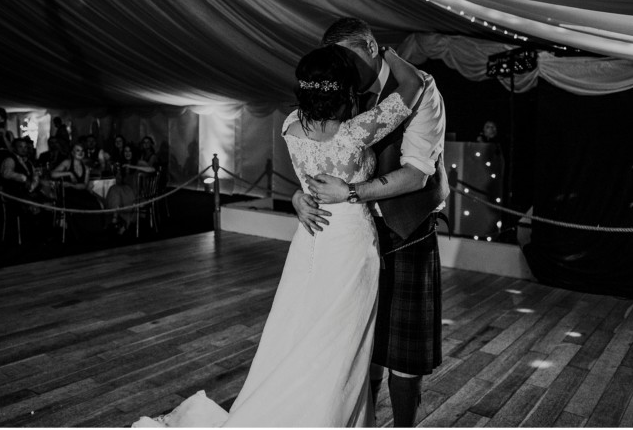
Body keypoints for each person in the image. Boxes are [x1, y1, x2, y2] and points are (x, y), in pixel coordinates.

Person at [132, 43, 424, 427]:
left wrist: (298, 196)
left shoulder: (290, 125)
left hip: (309, 238)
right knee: (340, 344)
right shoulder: (355, 133)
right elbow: (415, 83)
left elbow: (308, 177)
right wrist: (387, 52)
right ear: (344, 91)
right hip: (349, 244)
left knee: (296, 332)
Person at [296, 17, 449, 427]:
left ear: (369, 46)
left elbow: (417, 173)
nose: (342, 70)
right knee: (359, 344)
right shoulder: (338, 91)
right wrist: (300, 195)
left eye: (347, 59)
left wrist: (350, 193)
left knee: (403, 354)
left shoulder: (422, 90)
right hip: (351, 240)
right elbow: (312, 155)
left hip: (407, 232)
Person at [50, 142, 104, 240]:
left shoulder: (86, 168)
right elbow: (53, 174)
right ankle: (78, 234)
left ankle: (94, 233)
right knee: (76, 203)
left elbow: (84, 185)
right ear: (72, 152)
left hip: (80, 191)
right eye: (77, 150)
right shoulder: (67, 163)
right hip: (67, 193)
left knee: (93, 203)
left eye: (82, 151)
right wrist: (69, 173)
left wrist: (71, 184)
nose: (80, 153)